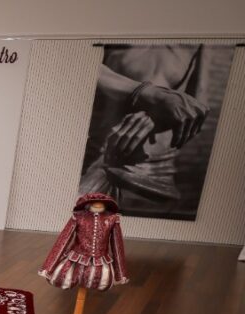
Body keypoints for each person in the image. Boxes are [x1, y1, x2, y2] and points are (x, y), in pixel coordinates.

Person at [80, 45, 209, 204]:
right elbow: (82, 64)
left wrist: (157, 116)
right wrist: (145, 93)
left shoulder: (202, 42)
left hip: (152, 171)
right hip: (99, 150)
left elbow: (198, 107)